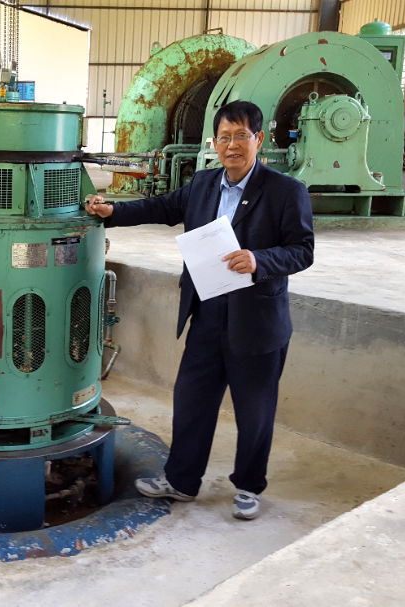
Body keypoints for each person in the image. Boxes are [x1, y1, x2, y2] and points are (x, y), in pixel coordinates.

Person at [85, 100, 314, 520]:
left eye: (241, 136)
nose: (232, 145)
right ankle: (182, 480)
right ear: (214, 142)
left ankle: (249, 486)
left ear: (259, 139)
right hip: (207, 311)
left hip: (256, 321)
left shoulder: (286, 191)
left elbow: (302, 250)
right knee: (192, 401)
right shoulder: (205, 183)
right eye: (224, 137)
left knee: (255, 410)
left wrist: (260, 260)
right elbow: (162, 207)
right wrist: (112, 211)